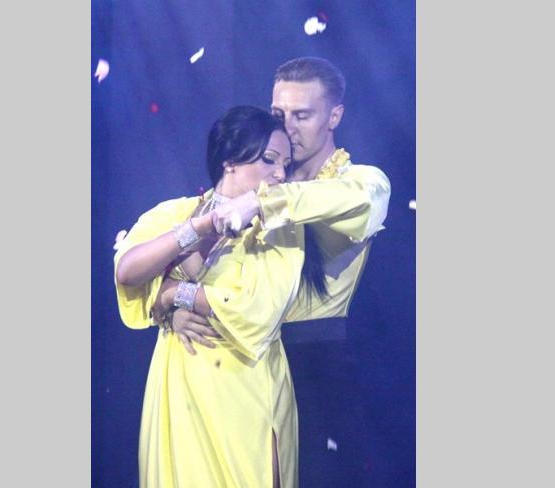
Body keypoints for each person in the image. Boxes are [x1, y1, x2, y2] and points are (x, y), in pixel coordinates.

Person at [167, 57, 391, 484]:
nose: (287, 127)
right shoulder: (254, 178)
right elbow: (187, 259)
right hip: (232, 359)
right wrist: (173, 304)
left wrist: (264, 203)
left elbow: (363, 201)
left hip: (312, 362)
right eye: (278, 114)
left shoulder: (356, 183)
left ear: (334, 116)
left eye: (302, 115)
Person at [115, 106, 309, 488]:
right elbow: (127, 271)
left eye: (286, 165)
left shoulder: (279, 227)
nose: (280, 174)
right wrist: (199, 227)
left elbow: (259, 309)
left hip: (245, 387)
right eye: (270, 159)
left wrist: (175, 293)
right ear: (230, 160)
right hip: (180, 385)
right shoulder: (174, 212)